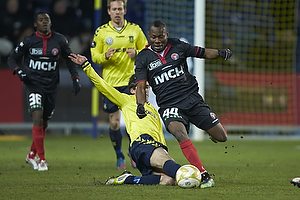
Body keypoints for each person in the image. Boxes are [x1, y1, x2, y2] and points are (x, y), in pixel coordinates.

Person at [135, 20, 233, 188]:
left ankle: (209, 130)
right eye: (153, 37)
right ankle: (203, 174)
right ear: (149, 36)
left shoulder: (178, 46)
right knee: (179, 132)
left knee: (222, 137)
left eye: (161, 36)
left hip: (192, 99)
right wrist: (140, 104)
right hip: (169, 105)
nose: (157, 40)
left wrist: (220, 53)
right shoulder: (143, 57)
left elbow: (201, 52)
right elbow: (141, 84)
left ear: (167, 34)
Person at [69, 53, 181, 186]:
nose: (145, 90)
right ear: (132, 90)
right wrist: (86, 66)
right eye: (141, 87)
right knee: (173, 167)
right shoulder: (126, 101)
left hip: (153, 148)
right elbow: (103, 86)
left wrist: (163, 150)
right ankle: (200, 176)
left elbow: (159, 134)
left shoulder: (153, 110)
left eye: (147, 87)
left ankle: (128, 179)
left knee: (168, 180)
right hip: (142, 143)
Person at [7, 11, 81, 171]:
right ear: (36, 24)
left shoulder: (59, 40)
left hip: (51, 87)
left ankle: (31, 155)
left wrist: (75, 77)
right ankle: (42, 159)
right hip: (33, 84)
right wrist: (19, 71)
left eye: (47, 20)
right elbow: (12, 58)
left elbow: (70, 59)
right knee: (37, 117)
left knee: (44, 122)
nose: (44, 22)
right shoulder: (28, 41)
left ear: (51, 23)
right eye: (41, 20)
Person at [90, 0, 148, 170]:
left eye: (120, 9)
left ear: (125, 10)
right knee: (114, 122)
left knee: (134, 121)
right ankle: (119, 155)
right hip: (111, 85)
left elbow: (147, 50)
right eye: (114, 9)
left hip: (131, 82)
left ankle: (134, 153)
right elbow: (94, 56)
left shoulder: (135, 30)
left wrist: (136, 53)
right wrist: (105, 56)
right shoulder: (101, 32)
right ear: (108, 11)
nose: (117, 12)